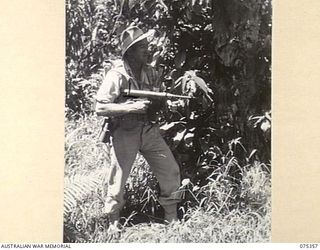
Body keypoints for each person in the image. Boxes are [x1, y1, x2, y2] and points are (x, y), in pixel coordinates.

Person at [95, 26, 181, 226]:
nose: (147, 49)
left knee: (171, 170)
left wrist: (167, 102)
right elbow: (100, 108)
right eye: (142, 46)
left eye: (146, 45)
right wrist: (131, 107)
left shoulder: (150, 73)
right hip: (124, 132)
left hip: (149, 130)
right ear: (130, 51)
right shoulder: (116, 75)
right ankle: (113, 222)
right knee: (118, 179)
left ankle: (172, 217)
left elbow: (156, 100)